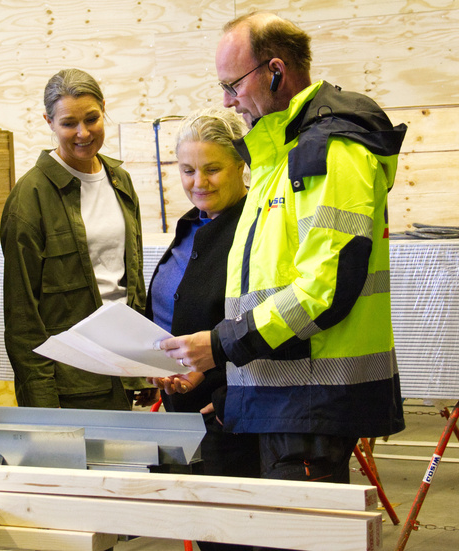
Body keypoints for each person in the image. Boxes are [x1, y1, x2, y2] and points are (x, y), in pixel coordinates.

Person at [159, 12, 407, 488]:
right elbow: (265, 293)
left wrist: (217, 346)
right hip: (285, 395)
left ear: (275, 71)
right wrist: (231, 374)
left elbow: (325, 289)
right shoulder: (279, 157)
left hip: (314, 400)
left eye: (233, 85)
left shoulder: (332, 150)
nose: (227, 101)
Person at [1, 68, 156, 410]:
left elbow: (132, 284)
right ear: (49, 122)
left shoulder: (121, 182)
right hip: (71, 384)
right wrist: (42, 404)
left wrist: (144, 367)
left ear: (103, 108)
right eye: (69, 123)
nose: (83, 133)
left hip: (124, 366)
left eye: (92, 118)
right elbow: (22, 316)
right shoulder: (29, 199)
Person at [146, 107, 260, 551]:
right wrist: (156, 364)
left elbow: (264, 321)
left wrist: (224, 388)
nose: (199, 182)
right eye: (188, 170)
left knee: (233, 536)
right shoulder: (193, 224)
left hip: (231, 414)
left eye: (213, 169)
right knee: (207, 529)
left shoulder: (255, 229)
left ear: (240, 165)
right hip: (185, 409)